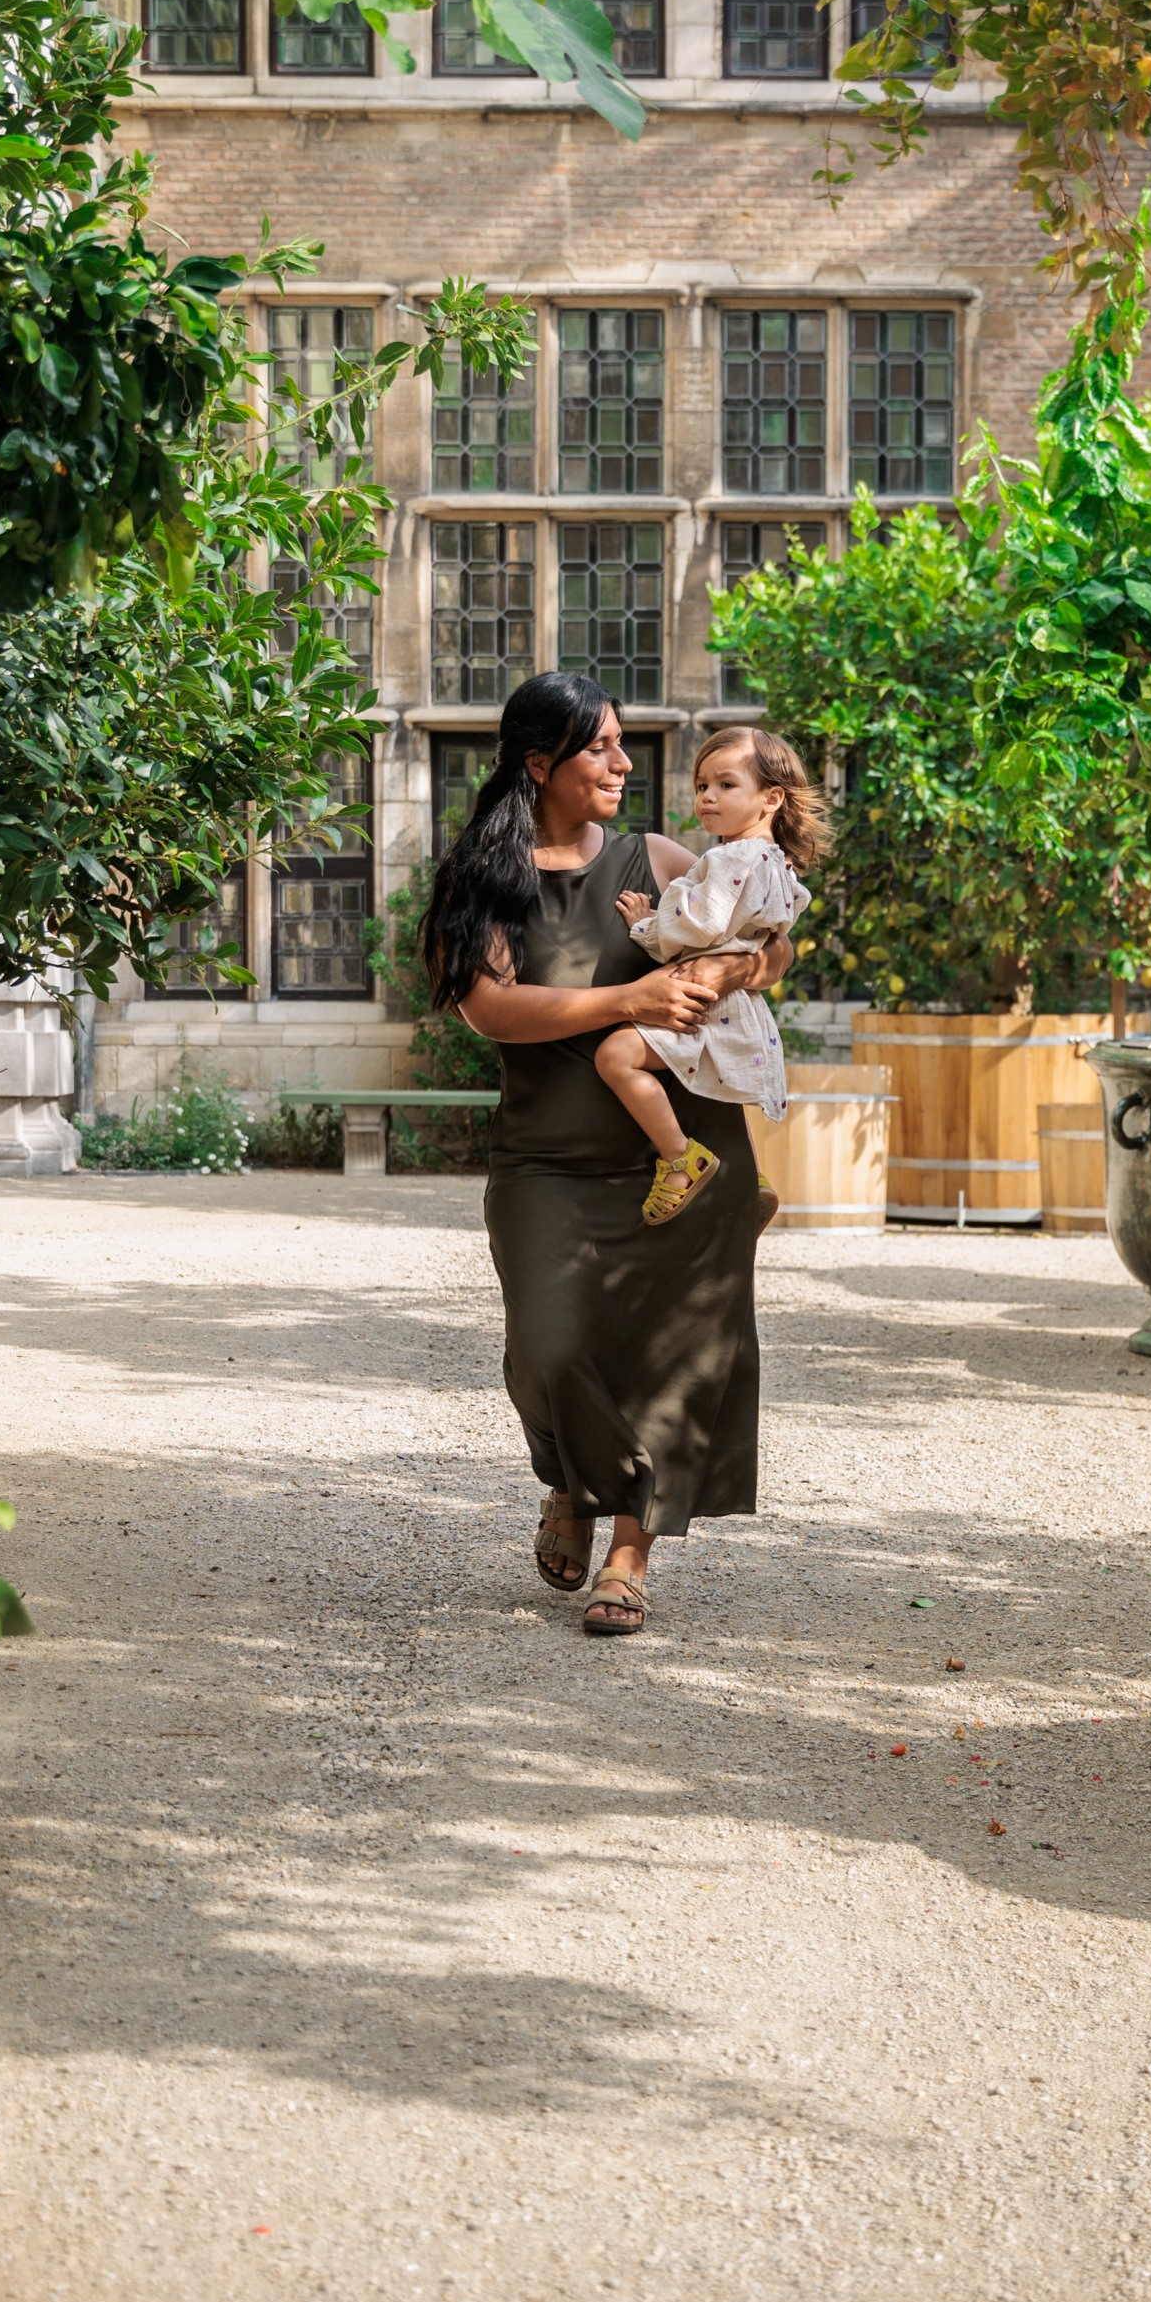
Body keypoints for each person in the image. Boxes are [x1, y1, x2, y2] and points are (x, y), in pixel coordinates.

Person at [419, 672, 795, 1637]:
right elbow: (490, 1006)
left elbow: (771, 944)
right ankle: (568, 1481)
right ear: (540, 764)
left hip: (687, 1154)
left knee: (676, 1360)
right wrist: (629, 1000)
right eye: (600, 748)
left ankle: (628, 1556)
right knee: (547, 1350)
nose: (626, 763)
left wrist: (732, 969)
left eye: (625, 742)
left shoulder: (657, 855)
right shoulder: (485, 877)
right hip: (547, 1161)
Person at [598, 726, 825, 1225]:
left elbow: (696, 925)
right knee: (717, 1086)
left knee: (615, 1057)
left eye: (725, 785)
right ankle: (744, 1174)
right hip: (737, 1003)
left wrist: (645, 924)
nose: (708, 797)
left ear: (771, 798)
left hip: (704, 1000)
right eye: (702, 786)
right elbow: (773, 939)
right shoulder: (776, 863)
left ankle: (680, 1158)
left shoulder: (731, 858)